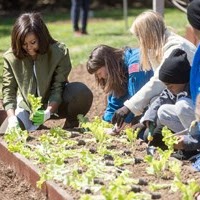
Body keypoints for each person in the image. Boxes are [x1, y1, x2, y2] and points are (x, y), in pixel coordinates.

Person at [0, 12, 93, 133]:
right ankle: (34, 125)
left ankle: (71, 125)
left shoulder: (59, 52)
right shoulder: (11, 57)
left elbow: (58, 87)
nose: (29, 48)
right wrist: (12, 118)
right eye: (24, 44)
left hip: (56, 105)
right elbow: (9, 91)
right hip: (27, 108)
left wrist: (48, 111)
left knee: (81, 92)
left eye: (33, 42)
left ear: (41, 37)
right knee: (7, 133)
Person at [112, 10, 197, 129]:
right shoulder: (158, 47)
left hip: (190, 100)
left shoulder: (175, 47)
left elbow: (159, 83)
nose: (139, 40)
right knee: (147, 130)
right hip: (177, 97)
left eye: (139, 36)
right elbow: (162, 92)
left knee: (151, 134)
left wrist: (128, 107)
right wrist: (145, 118)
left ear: (148, 34)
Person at [86, 44, 153, 133]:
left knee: (141, 132)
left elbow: (137, 98)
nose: (100, 77)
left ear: (107, 64)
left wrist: (118, 126)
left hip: (157, 102)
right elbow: (116, 98)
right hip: (144, 104)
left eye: (99, 73)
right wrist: (106, 121)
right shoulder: (118, 68)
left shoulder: (136, 65)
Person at [141, 49, 197, 151]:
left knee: (182, 105)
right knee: (163, 111)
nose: (168, 89)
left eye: (170, 86)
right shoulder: (175, 88)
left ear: (181, 80)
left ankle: (194, 143)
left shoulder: (194, 86)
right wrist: (149, 118)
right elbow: (160, 100)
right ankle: (189, 145)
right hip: (194, 126)